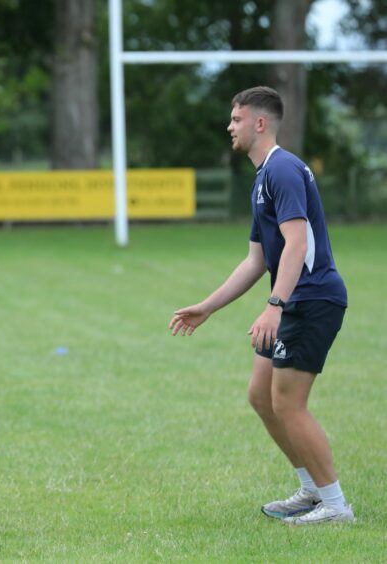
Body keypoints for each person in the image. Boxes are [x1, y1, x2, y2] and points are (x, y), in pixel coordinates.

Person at [169, 86, 353, 525]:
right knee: (261, 396)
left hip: (311, 299)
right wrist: (208, 306)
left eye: (236, 119)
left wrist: (275, 305)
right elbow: (257, 259)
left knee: (288, 402)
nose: (229, 127)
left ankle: (335, 505)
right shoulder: (263, 177)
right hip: (296, 299)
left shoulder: (283, 170)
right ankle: (311, 490)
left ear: (259, 123)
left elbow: (296, 243)